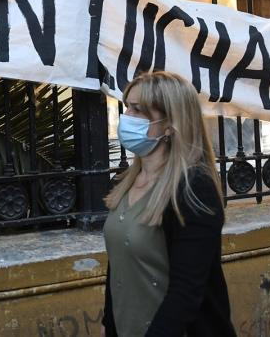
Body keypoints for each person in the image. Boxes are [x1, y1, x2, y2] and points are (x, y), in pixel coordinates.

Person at [101, 71, 235, 337]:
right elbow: (120, 263)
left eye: (138, 110)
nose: (126, 117)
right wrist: (109, 324)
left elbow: (186, 293)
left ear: (170, 125)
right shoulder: (128, 181)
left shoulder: (194, 188)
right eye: (127, 106)